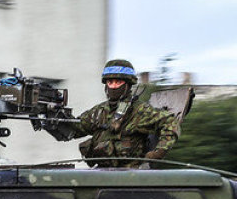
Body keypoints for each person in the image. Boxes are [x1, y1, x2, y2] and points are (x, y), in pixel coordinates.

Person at [47, 59, 181, 168]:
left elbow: (170, 122)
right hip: (102, 174)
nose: (114, 86)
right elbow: (73, 130)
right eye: (110, 82)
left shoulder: (139, 111)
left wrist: (158, 152)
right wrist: (49, 115)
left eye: (118, 82)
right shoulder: (99, 111)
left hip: (129, 177)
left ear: (128, 85)